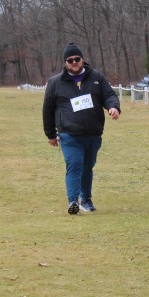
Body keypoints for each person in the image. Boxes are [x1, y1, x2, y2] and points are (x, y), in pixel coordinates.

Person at [42, 42, 121, 215]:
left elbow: (109, 95)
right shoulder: (55, 83)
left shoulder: (97, 78)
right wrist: (50, 134)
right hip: (69, 135)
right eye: (70, 60)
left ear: (83, 59)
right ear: (65, 63)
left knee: (87, 167)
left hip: (93, 133)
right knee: (75, 164)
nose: (74, 62)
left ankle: (86, 199)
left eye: (77, 59)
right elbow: (47, 110)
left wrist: (113, 107)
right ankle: (73, 201)